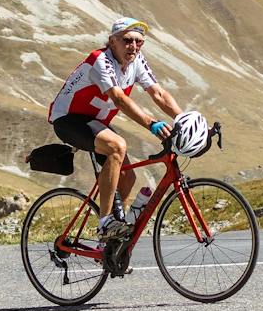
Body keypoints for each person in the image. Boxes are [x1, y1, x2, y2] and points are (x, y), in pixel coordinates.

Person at [47, 16, 183, 246]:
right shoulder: (99, 60)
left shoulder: (136, 60)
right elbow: (118, 99)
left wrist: (183, 119)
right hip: (69, 119)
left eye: (139, 42)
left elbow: (158, 94)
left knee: (128, 175)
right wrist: (152, 123)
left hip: (95, 121)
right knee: (117, 147)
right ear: (112, 41)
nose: (134, 47)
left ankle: (110, 245)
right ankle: (104, 224)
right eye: (127, 40)